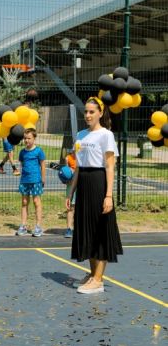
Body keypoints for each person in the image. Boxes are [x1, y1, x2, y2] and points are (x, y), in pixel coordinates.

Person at [66, 96, 123, 293]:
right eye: (86, 111)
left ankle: (98, 280)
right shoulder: (80, 135)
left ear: (100, 113)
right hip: (83, 185)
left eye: (92, 111)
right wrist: (71, 193)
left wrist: (108, 195)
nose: (88, 115)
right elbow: (78, 168)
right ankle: (92, 275)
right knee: (86, 229)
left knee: (100, 230)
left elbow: (109, 166)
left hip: (99, 183)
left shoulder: (106, 135)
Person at [16, 128, 46, 237]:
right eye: (25, 138)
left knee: (36, 202)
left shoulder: (38, 151)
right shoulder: (22, 152)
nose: (27, 140)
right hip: (25, 180)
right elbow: (22, 164)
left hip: (36, 180)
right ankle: (23, 225)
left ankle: (38, 226)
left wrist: (43, 178)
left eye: (29, 138)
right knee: (24, 202)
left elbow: (43, 165)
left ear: (34, 138)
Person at [64, 152, 76, 238]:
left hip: (82, 184)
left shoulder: (84, 157)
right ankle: (69, 228)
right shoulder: (68, 158)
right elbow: (66, 173)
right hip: (71, 185)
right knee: (70, 207)